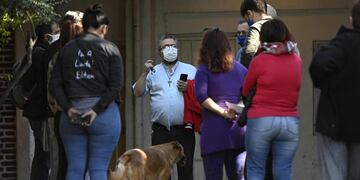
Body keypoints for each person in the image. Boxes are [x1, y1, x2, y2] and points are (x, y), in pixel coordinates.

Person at [49, 4, 123, 180]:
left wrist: (68, 108)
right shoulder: (111, 49)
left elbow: (54, 85)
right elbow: (115, 86)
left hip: (72, 116)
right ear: (104, 28)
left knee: (74, 169)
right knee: (98, 169)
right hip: (104, 116)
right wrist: (96, 109)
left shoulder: (67, 49)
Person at [242, 19, 301, 180]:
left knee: (256, 170)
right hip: (289, 120)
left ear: (263, 37)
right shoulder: (296, 60)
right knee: (283, 171)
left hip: (261, 119)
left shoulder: (259, 60)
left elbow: (246, 90)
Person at [132, 34, 196, 180]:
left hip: (184, 130)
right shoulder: (153, 72)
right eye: (166, 46)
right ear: (160, 51)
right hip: (161, 131)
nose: (170, 49)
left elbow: (201, 95)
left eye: (173, 46)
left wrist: (189, 88)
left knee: (186, 172)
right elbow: (137, 92)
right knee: (160, 174)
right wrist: (144, 72)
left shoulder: (190, 70)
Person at [309, 1, 360, 180]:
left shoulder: (343, 43)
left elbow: (318, 65)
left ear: (352, 19)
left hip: (334, 121)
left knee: (334, 175)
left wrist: (330, 85)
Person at [195, 28, 247, 180]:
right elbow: (250, 93)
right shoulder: (240, 69)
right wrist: (238, 107)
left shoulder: (203, 70)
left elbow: (202, 97)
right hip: (237, 133)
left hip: (212, 135)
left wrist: (223, 112)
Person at [44, 10, 84, 180]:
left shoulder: (57, 56)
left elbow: (51, 92)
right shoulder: (86, 55)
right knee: (81, 164)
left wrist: (61, 111)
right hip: (83, 115)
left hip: (62, 115)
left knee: (65, 163)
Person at [22, 22, 59, 180]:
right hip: (41, 110)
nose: (59, 34)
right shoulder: (42, 54)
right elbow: (46, 83)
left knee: (41, 152)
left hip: (34, 109)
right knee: (44, 154)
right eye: (57, 31)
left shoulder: (33, 52)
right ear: (47, 36)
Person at [240, 0, 273, 68]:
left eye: (246, 19)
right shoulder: (281, 27)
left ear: (249, 13)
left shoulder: (256, 29)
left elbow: (248, 56)